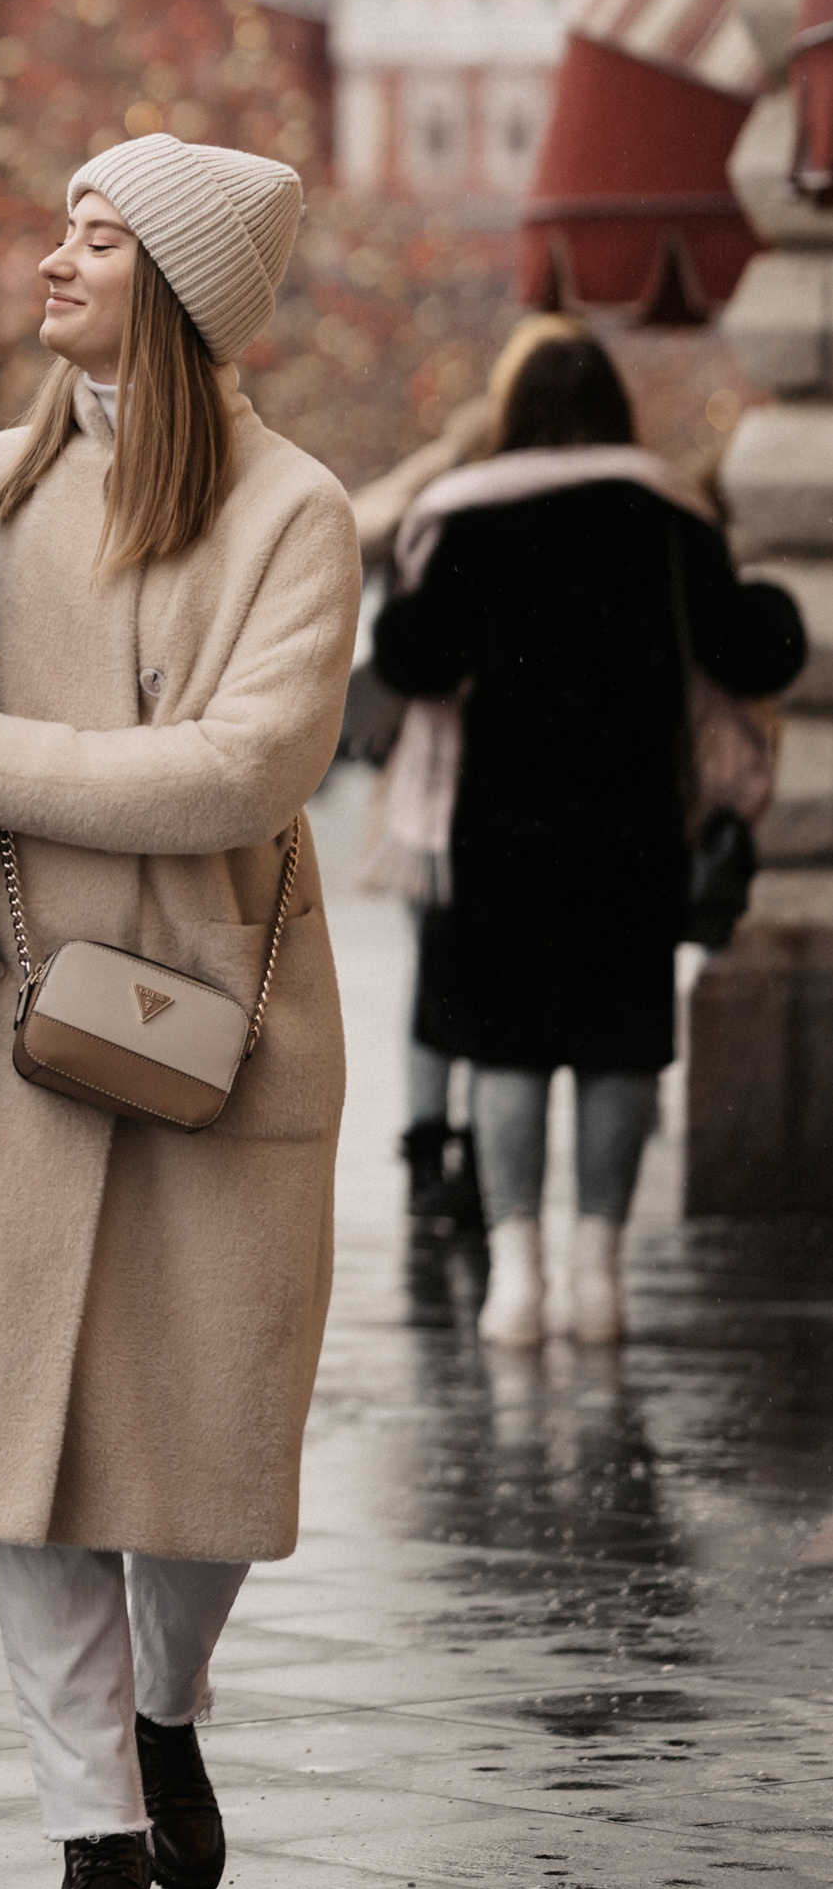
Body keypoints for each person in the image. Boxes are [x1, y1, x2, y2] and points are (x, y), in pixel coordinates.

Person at [0, 134, 358, 1889]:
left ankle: (165, 1702)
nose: (51, 264)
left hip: (227, 1036)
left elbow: (247, 765)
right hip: (23, 1034)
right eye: (61, 233)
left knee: (206, 1447)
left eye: (96, 239)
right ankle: (92, 1828)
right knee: (32, 1451)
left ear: (179, 284)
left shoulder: (293, 510)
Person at [373, 330, 802, 1349]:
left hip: (500, 832)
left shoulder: (468, 514)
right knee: (619, 1047)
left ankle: (516, 1277)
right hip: (632, 828)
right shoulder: (668, 514)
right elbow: (754, 649)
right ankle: (598, 1275)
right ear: (616, 408)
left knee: (507, 1051)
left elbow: (411, 658)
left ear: (512, 411)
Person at [348, 313, 578, 1230]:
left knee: (439, 974)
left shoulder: (443, 496)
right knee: (501, 983)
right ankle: (477, 1157)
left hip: (432, 791)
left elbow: (362, 538)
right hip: (525, 785)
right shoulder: (557, 504)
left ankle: (427, 1152)